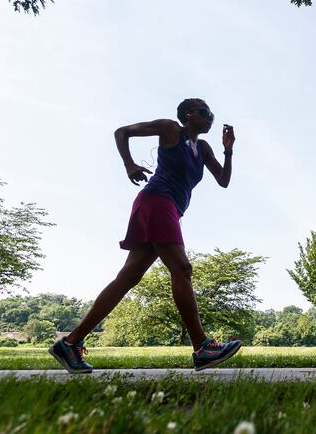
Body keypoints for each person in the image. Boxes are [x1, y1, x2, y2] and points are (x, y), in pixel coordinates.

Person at [48, 98, 242, 373]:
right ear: (189, 115)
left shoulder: (205, 148)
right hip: (157, 201)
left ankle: (69, 343)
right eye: (205, 112)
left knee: (128, 277)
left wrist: (229, 151)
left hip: (168, 208)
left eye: (211, 113)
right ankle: (202, 347)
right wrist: (129, 164)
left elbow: (223, 180)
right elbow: (122, 132)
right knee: (182, 268)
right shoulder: (170, 129)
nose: (211, 117)